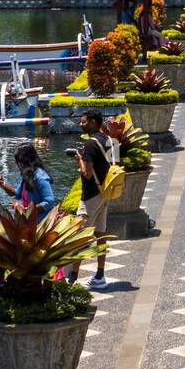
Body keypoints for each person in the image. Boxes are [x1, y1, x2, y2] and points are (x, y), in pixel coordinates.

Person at [69, 110, 112, 288]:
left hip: (90, 196)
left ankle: (72, 279)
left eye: (84, 121)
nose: (81, 124)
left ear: (94, 122)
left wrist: (79, 159)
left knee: (80, 236)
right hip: (105, 192)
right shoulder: (107, 139)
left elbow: (86, 173)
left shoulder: (90, 144)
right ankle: (100, 276)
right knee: (100, 234)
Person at [0, 144, 56, 219]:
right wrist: (1, 184)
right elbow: (17, 194)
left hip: (42, 222)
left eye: (18, 161)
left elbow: (49, 202)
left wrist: (26, 210)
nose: (16, 163)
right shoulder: (27, 176)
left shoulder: (40, 177)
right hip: (29, 219)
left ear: (25, 161)